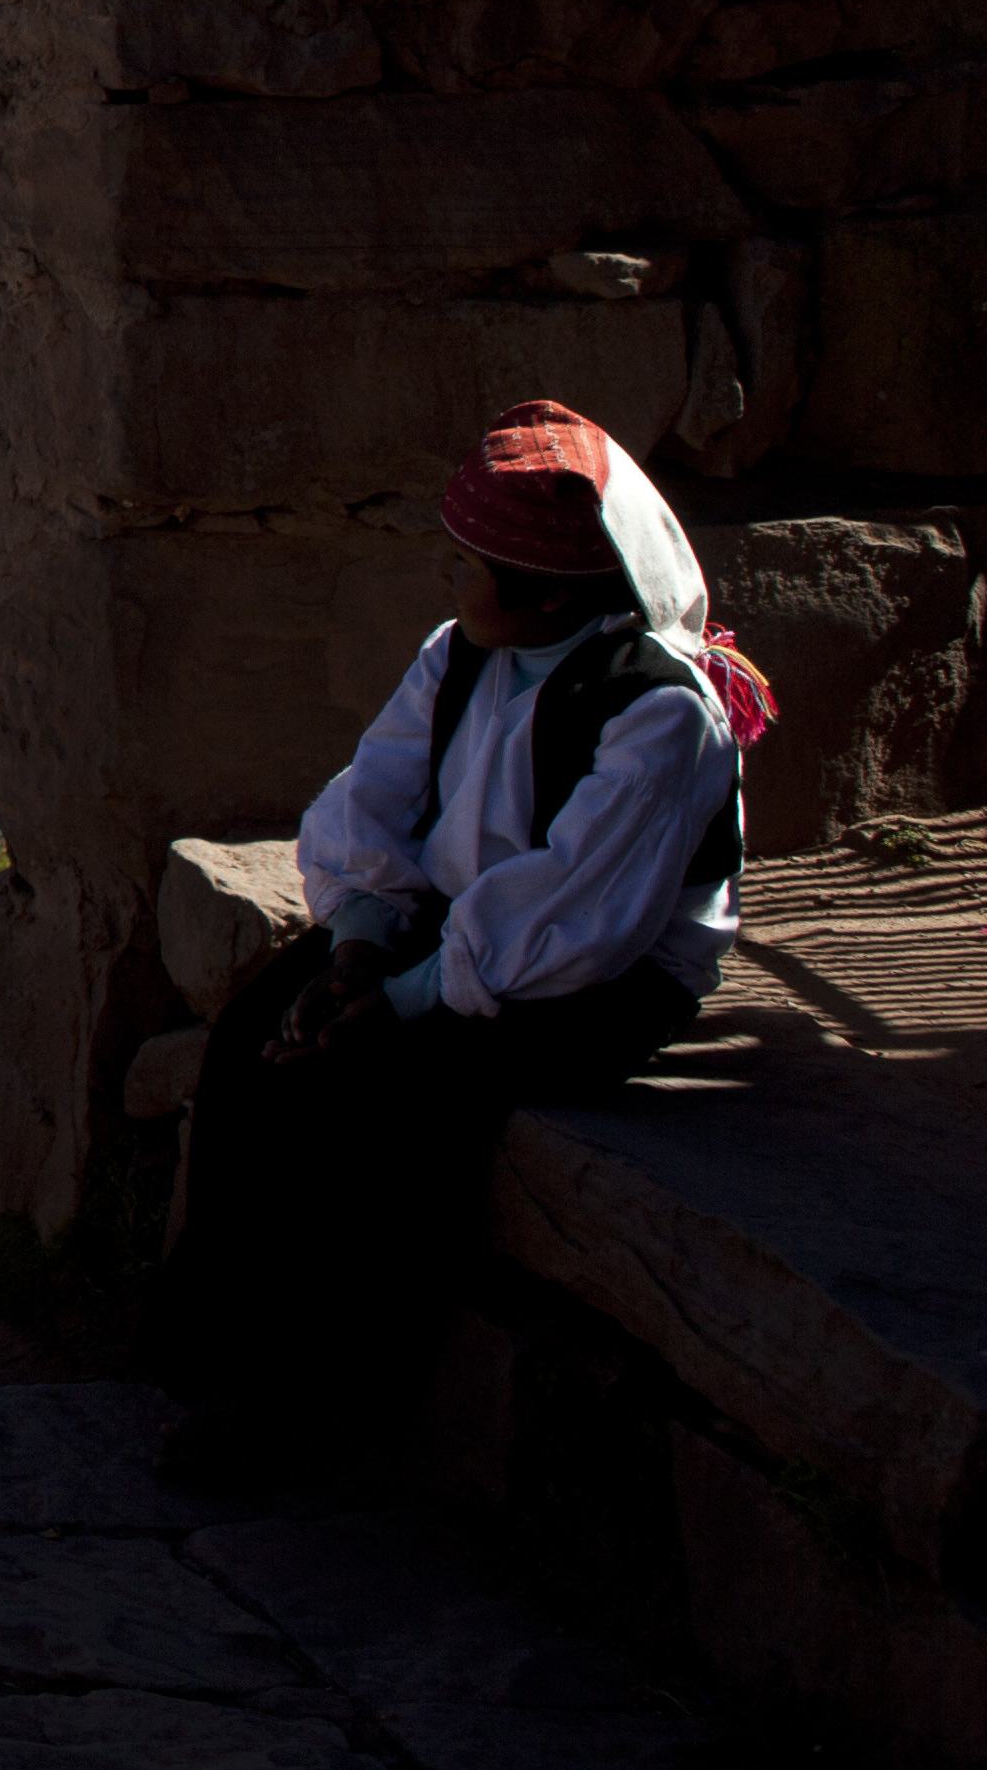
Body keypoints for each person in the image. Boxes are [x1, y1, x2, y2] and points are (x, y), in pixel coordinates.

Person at [162, 398, 768, 1456]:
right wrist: (355, 948)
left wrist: (398, 1003)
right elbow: (374, 801)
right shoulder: (463, 655)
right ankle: (212, 1342)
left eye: (472, 567)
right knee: (257, 1035)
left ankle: (316, 1403)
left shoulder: (659, 715)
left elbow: (576, 915)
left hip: (590, 980)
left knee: (387, 1103)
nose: (453, 582)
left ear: (545, 599)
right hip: (448, 930)